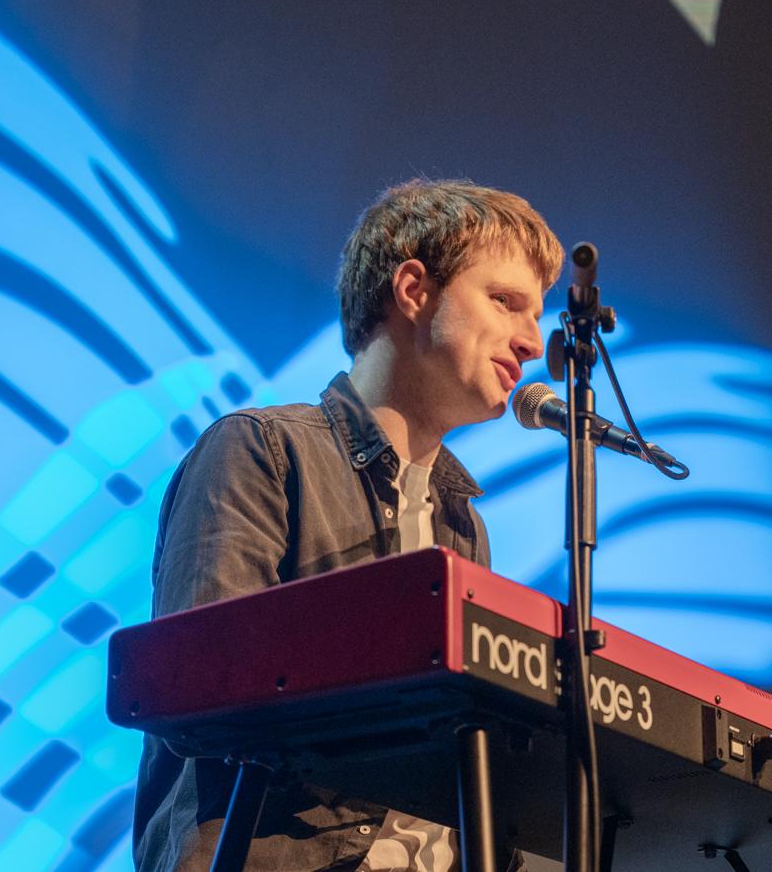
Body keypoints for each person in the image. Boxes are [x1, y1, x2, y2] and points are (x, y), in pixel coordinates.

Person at [133, 179, 564, 871]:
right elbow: (201, 699)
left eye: (535, 314)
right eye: (505, 301)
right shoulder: (262, 452)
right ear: (414, 290)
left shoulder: (463, 527)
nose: (532, 342)